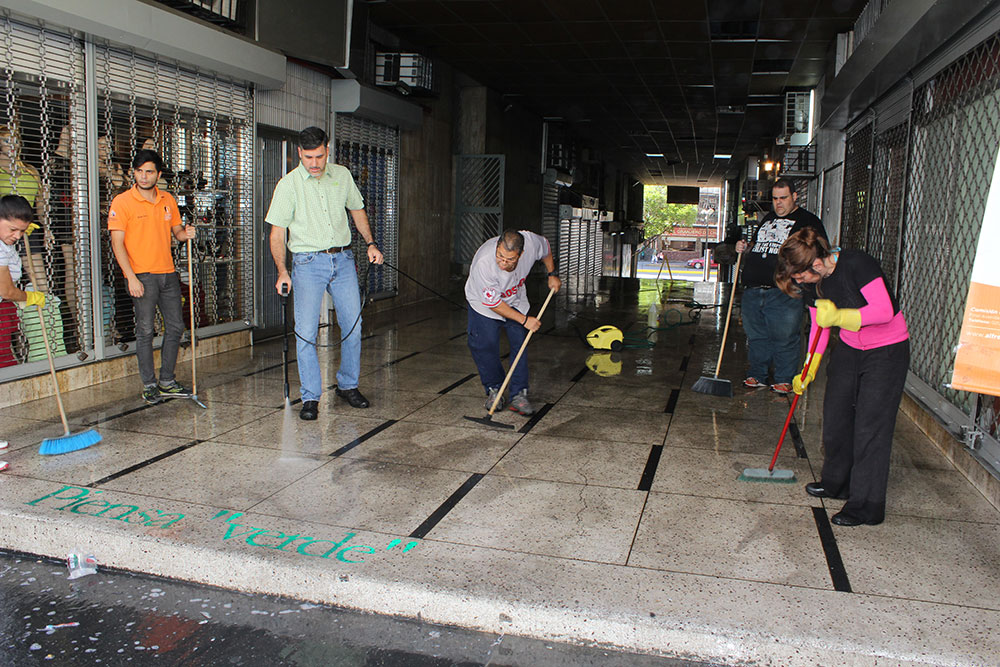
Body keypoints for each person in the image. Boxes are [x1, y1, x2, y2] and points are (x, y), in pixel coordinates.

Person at [775, 228, 910, 526]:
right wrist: (808, 368)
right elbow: (818, 328)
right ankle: (837, 483)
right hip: (850, 347)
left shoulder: (859, 264)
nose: (800, 283)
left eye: (802, 277)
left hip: (886, 351)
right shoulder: (813, 283)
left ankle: (866, 505)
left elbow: (884, 310)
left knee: (870, 427)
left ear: (818, 265)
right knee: (836, 417)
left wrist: (839, 317)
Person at [266, 126, 383, 422]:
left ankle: (348, 385)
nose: (314, 163)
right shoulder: (288, 185)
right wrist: (282, 271)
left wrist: (370, 243)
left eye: (319, 156)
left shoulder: (341, 175)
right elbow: (277, 234)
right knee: (305, 334)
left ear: (328, 150)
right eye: (308, 157)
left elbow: (357, 210)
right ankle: (310, 397)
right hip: (306, 264)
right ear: (299, 154)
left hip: (342, 260)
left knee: (353, 326)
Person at [108, 149, 195, 405]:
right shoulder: (122, 202)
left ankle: (167, 380)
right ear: (133, 173)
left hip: (168, 273)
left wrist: (185, 233)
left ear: (158, 174)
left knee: (176, 326)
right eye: (139, 171)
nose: (143, 177)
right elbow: (117, 244)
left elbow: (176, 231)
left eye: (149, 172)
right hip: (142, 276)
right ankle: (149, 385)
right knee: (145, 330)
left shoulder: (167, 199)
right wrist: (131, 277)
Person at [736, 178, 827, 394]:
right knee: (756, 335)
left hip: (784, 290)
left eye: (783, 198)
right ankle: (758, 374)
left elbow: (820, 253)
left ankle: (784, 378)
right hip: (753, 288)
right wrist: (746, 247)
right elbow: (761, 245)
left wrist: (804, 279)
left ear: (795, 197)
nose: (778, 204)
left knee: (785, 336)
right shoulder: (768, 218)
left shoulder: (808, 221)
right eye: (775, 199)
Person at [464, 229, 561, 416]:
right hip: (483, 305)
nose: (502, 262)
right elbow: (494, 304)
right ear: (497, 247)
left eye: (510, 260)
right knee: (484, 344)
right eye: (500, 256)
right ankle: (494, 389)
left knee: (520, 343)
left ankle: (519, 395)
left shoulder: (531, 244)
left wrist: (552, 273)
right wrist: (525, 320)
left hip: (514, 299)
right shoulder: (484, 263)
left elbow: (546, 248)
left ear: (521, 254)